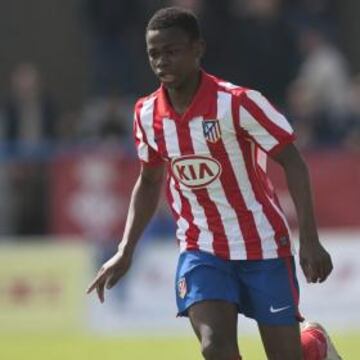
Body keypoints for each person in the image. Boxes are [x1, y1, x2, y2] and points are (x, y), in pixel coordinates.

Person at [87, 7, 342, 360]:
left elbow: (293, 161)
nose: (162, 61)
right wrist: (125, 249)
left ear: (198, 49)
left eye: (172, 51)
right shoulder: (146, 115)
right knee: (215, 347)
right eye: (154, 53)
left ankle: (313, 345)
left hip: (263, 245)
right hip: (202, 248)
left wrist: (310, 239)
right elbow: (149, 181)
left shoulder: (237, 103)